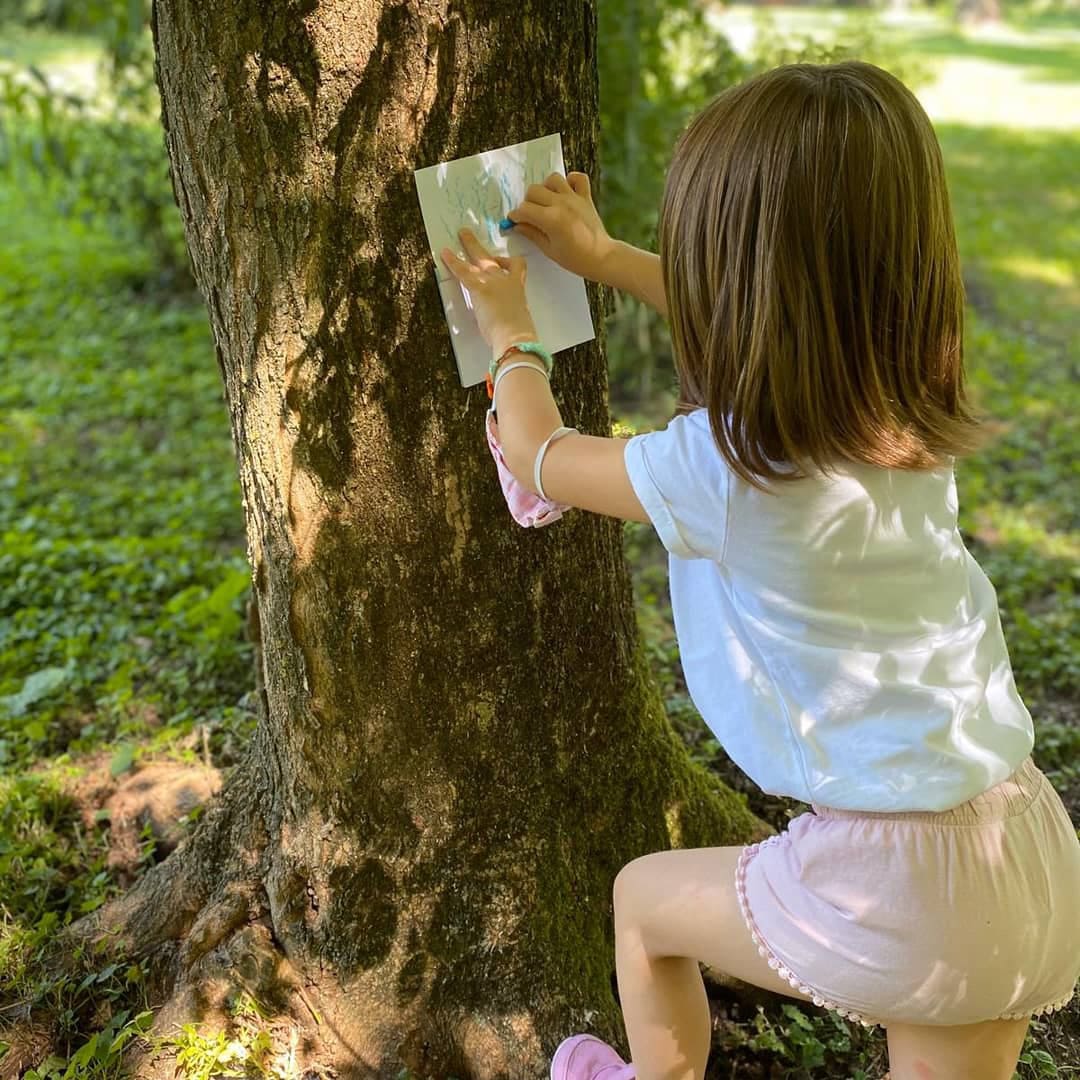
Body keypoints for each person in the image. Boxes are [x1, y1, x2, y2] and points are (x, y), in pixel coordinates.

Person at [439, 60, 1080, 1080]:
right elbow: (767, 317)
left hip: (895, 882)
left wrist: (509, 334)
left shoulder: (724, 467)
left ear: (735, 269)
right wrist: (603, 259)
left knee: (645, 905)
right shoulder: (907, 411)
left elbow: (542, 456)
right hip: (1027, 856)